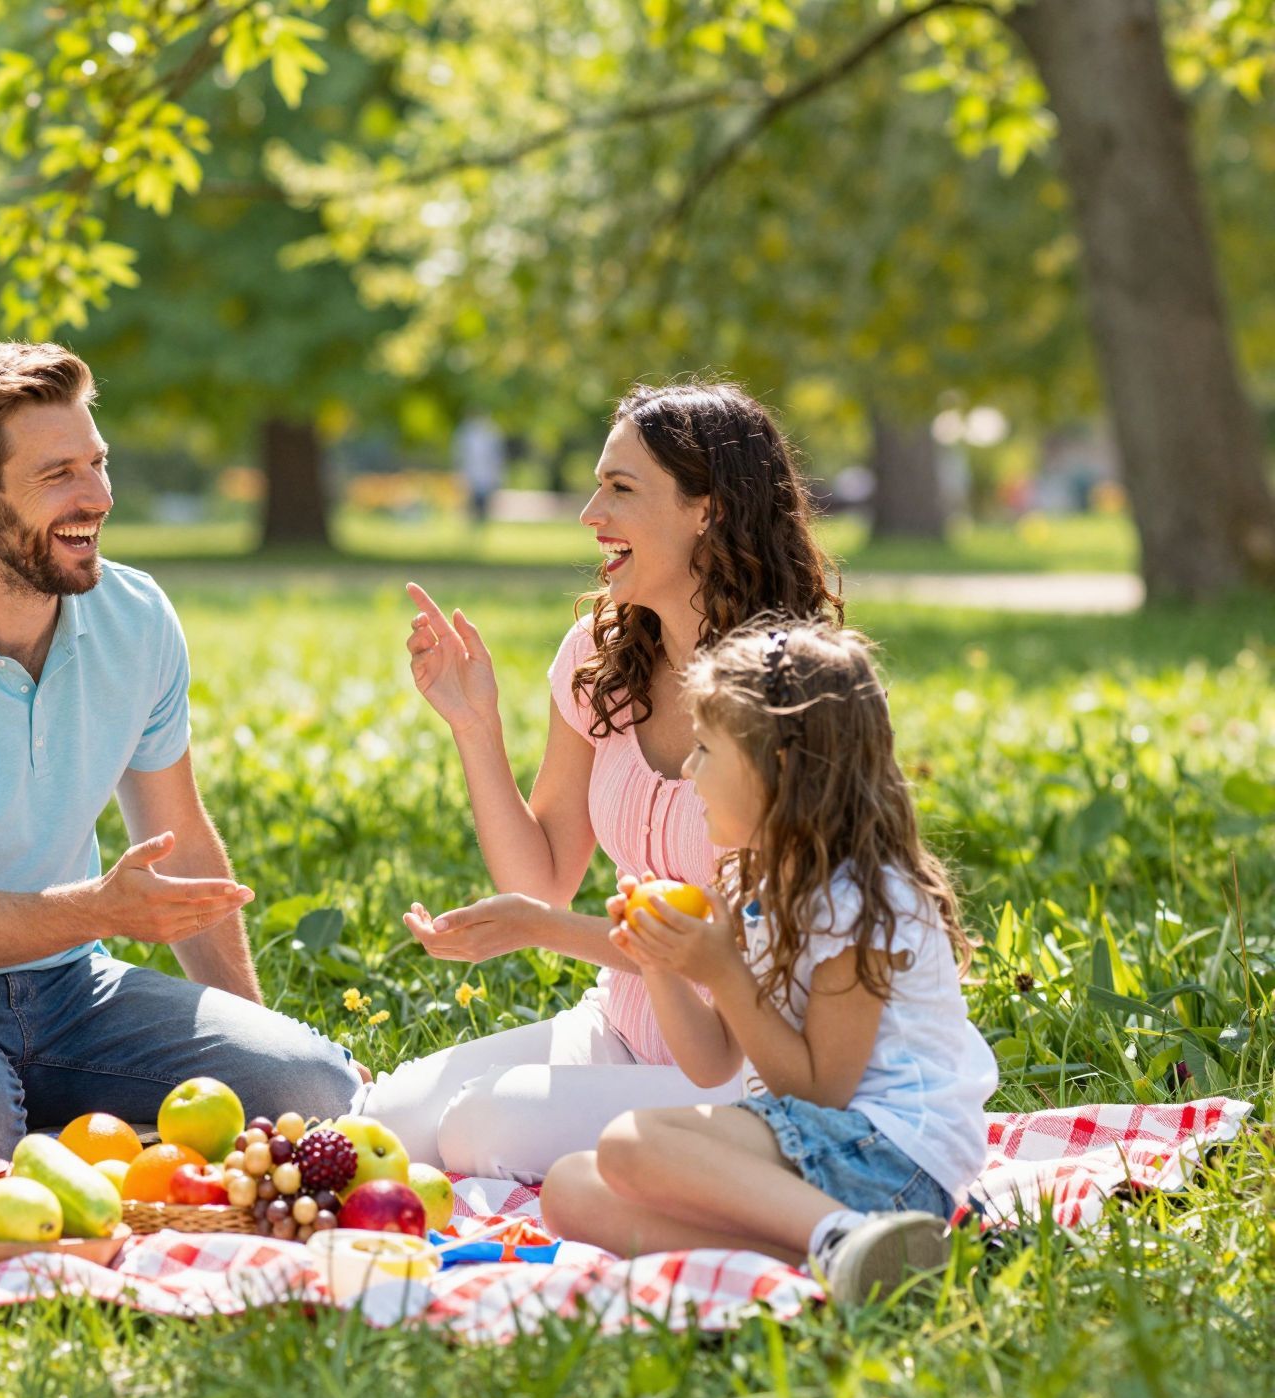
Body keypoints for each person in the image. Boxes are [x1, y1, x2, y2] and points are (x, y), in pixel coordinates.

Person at [0, 340, 360, 1162]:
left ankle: (60, 1137)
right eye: (58, 475)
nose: (96, 496)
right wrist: (101, 910)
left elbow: (183, 845)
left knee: (311, 1093)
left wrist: (255, 1049)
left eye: (97, 462)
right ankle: (49, 1135)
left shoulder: (136, 618)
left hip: (69, 990)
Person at [360, 380, 843, 1180]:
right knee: (386, 1122)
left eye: (620, 488)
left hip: (746, 1068)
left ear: (709, 509)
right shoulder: (600, 655)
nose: (590, 513)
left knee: (479, 1130)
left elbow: (733, 951)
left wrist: (535, 928)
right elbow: (544, 878)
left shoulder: (795, 693)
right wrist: (475, 725)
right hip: (619, 1029)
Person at [540, 621, 996, 1299]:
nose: (688, 771)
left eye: (704, 750)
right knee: (569, 1189)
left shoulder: (860, 897)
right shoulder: (750, 882)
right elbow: (713, 1063)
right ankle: (861, 1256)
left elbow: (820, 1092)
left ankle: (842, 1237)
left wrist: (722, 968)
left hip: (894, 1156)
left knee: (630, 1145)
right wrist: (663, 962)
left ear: (776, 769)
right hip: (822, 1151)